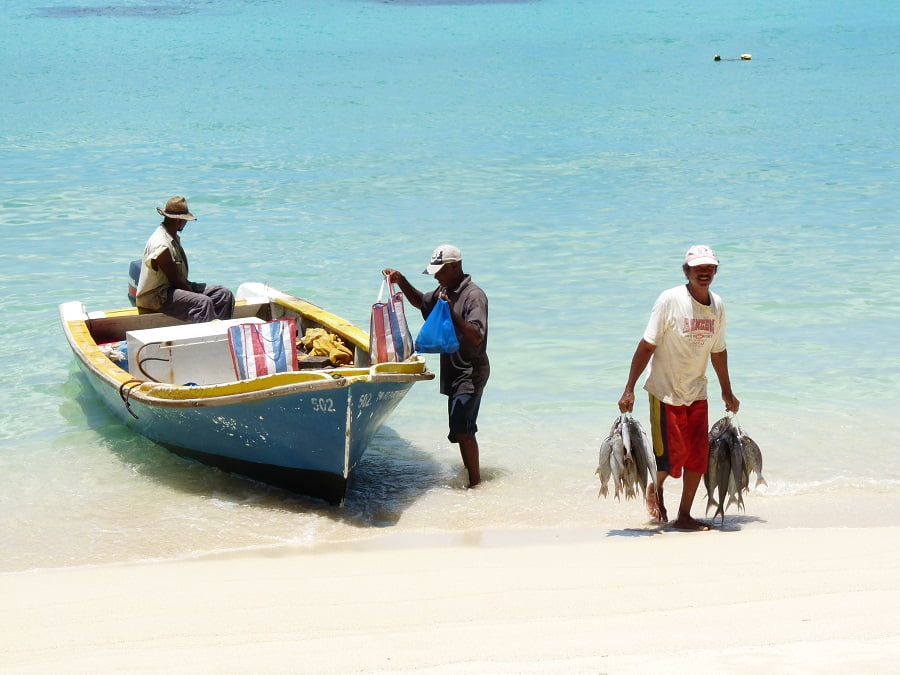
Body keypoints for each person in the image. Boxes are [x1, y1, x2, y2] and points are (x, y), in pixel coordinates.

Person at [618, 245, 740, 531]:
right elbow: (647, 345)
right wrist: (629, 388)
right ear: (686, 271)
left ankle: (684, 515)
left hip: (696, 391)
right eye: (698, 268)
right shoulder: (669, 300)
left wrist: (727, 391)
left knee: (697, 457)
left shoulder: (717, 305)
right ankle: (655, 487)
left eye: (709, 268)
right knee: (672, 457)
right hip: (666, 392)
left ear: (716, 271)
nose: (704, 272)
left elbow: (718, 351)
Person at [383, 245, 489, 488]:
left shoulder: (474, 296)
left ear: (454, 267)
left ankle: (476, 484)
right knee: (459, 430)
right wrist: (401, 281)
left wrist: (451, 312)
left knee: (464, 430)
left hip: (471, 371)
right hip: (453, 369)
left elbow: (476, 336)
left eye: (439, 271)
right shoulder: (444, 289)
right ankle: (470, 476)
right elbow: (421, 302)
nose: (435, 276)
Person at [135, 196, 234, 323]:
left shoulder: (172, 235)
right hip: (158, 296)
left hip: (173, 289)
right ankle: (204, 338)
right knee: (203, 302)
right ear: (179, 220)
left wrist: (193, 291)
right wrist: (196, 295)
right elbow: (176, 280)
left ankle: (222, 334)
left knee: (224, 295)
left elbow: (179, 282)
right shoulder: (161, 244)